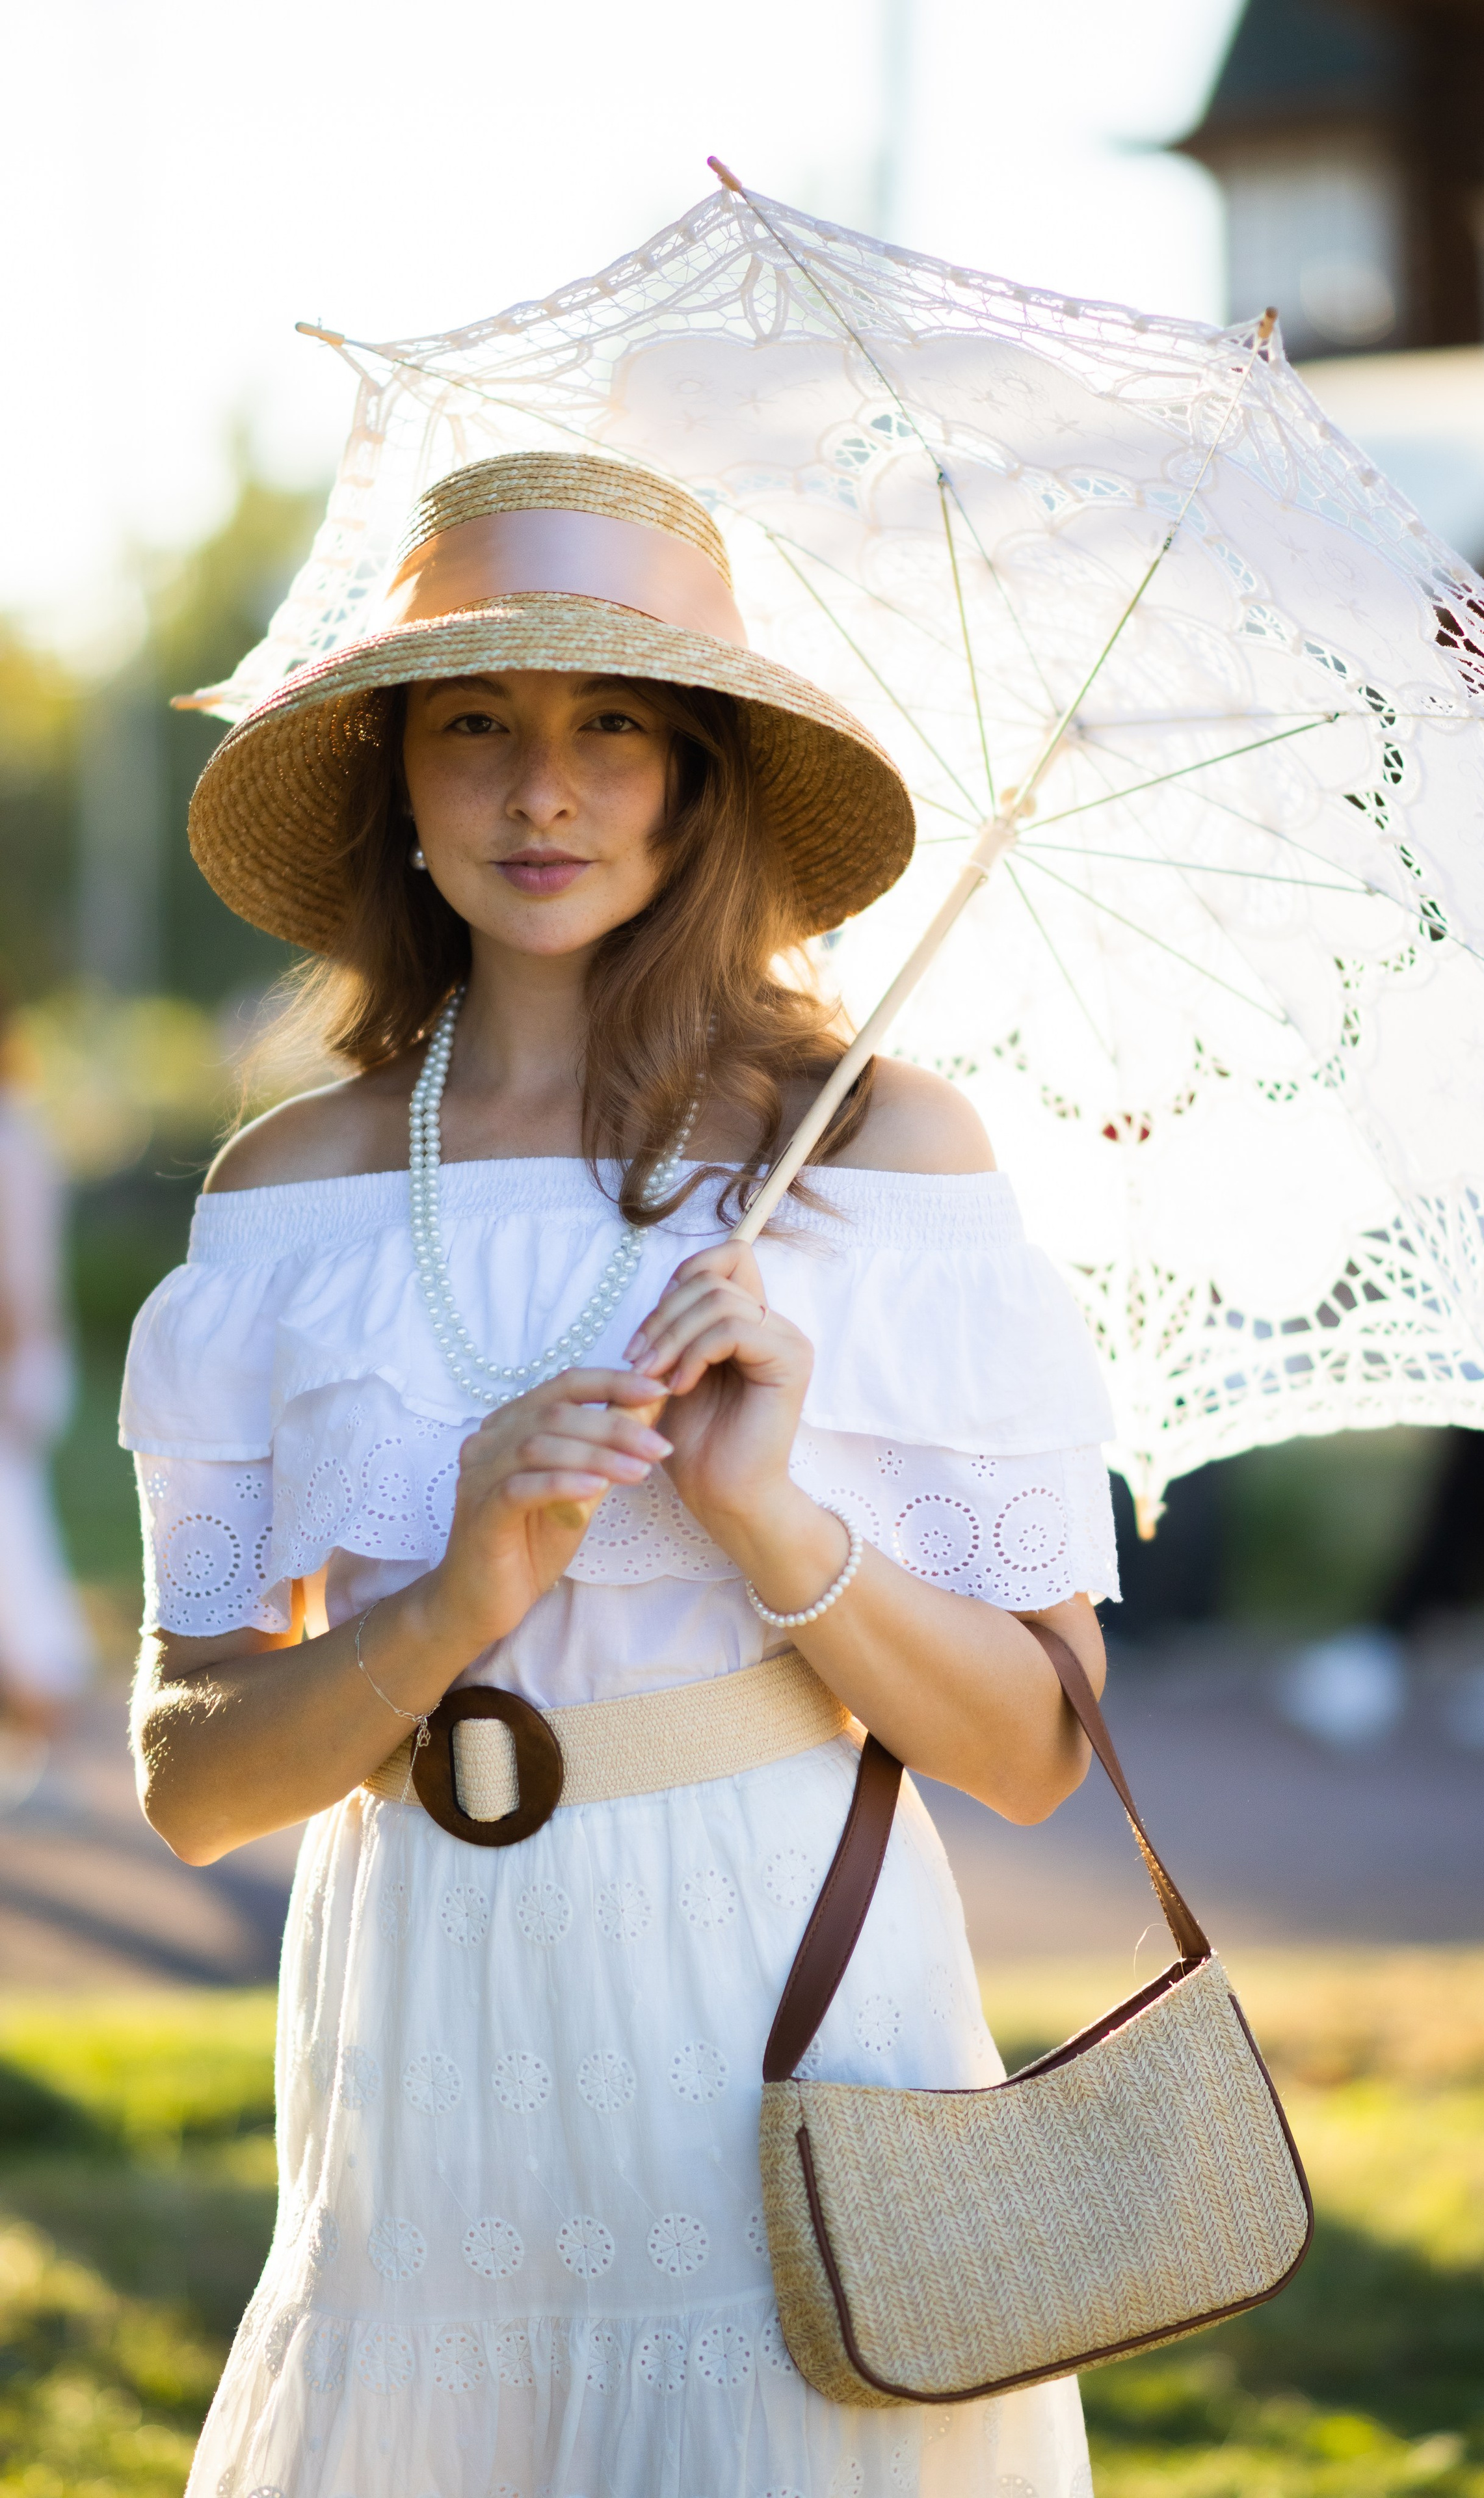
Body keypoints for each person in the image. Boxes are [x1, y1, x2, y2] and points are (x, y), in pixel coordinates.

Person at [122, 451, 1117, 2497]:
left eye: (613, 727)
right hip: (429, 2017)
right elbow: (196, 1781)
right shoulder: (282, 1198)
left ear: (699, 780)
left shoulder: (881, 1159)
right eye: (476, 724)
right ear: (398, 775)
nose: (542, 793)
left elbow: (1034, 1752)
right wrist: (455, 1594)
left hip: (783, 2003)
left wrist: (771, 1517)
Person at [0, 1002, 94, 1748]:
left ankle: (47, 1694)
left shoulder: (11, 1135)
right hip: (29, 1355)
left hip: (15, 1358)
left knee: (16, 1542)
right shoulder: (22, 1128)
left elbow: (17, 1280)